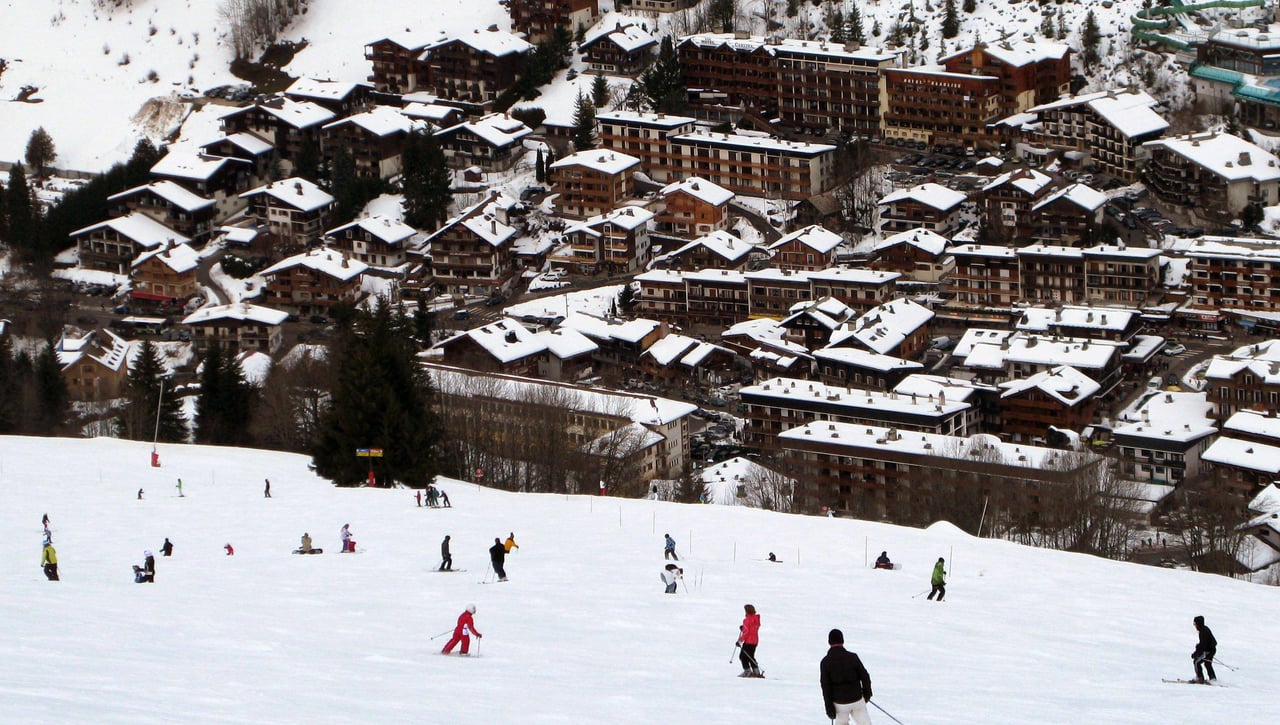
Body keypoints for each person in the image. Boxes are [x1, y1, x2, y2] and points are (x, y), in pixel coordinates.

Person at [821, 628, 873, 725]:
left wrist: (829, 709)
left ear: (829, 642)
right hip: (857, 699)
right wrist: (867, 694)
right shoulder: (853, 657)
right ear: (843, 641)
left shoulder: (825, 662)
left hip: (840, 704)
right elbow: (865, 676)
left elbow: (826, 687)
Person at [737, 604, 762, 677]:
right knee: (750, 656)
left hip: (748, 641)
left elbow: (746, 633)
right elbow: (752, 629)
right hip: (755, 641)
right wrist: (744, 628)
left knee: (742, 656)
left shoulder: (747, 620)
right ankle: (756, 671)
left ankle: (747, 671)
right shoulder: (756, 619)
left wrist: (739, 641)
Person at [1192, 615, 1217, 683]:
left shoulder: (1203, 631)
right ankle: (1213, 678)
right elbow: (1213, 642)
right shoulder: (1205, 629)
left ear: (1198, 624)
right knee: (1207, 663)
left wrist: (1196, 653)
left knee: (1196, 662)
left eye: (1195, 624)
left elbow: (1203, 645)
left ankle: (1199, 678)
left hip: (1208, 651)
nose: (1194, 626)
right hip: (1211, 650)